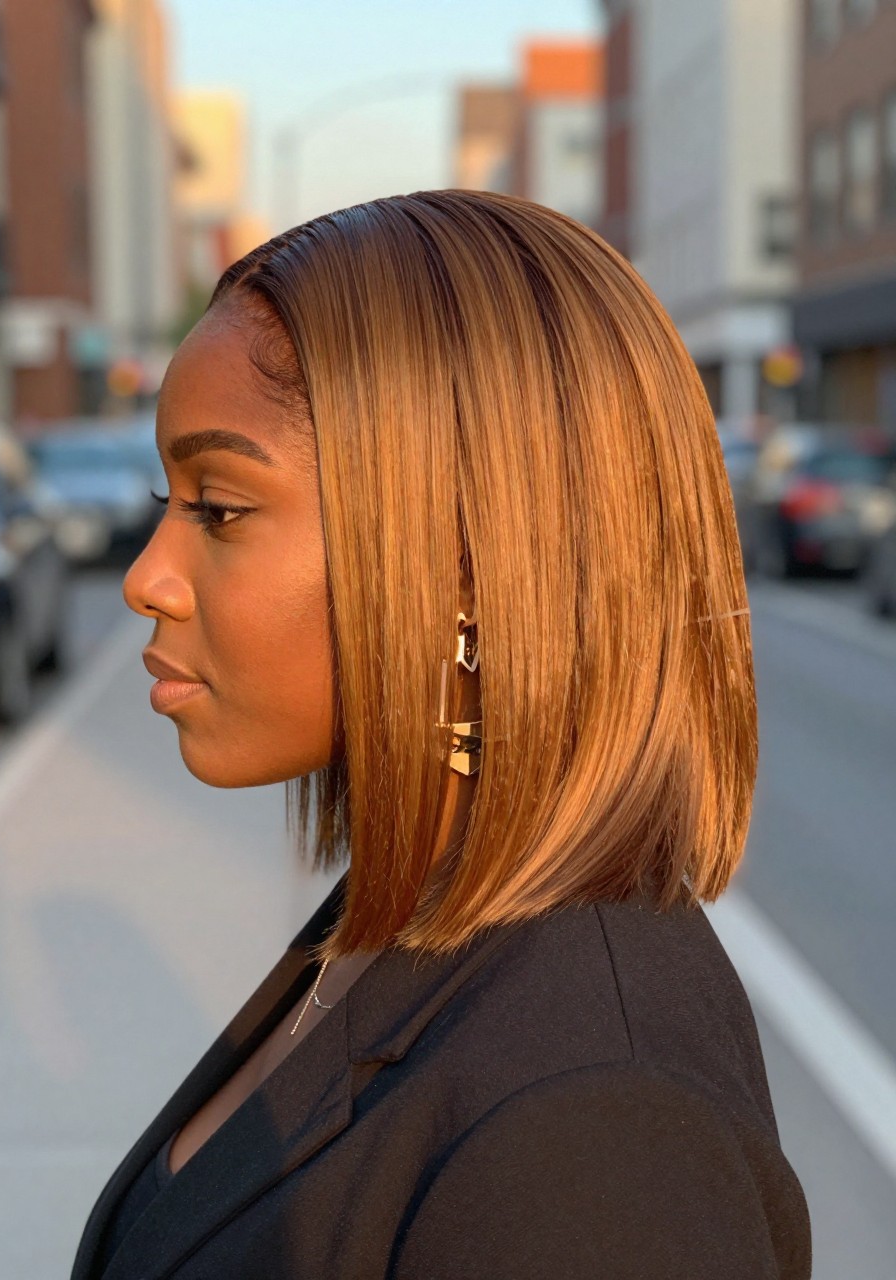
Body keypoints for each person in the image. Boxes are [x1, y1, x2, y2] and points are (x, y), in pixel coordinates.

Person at [70, 189, 812, 1280]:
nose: (147, 577)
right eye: (164, 497)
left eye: (220, 507)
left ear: (464, 561)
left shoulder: (598, 1127)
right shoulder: (423, 907)